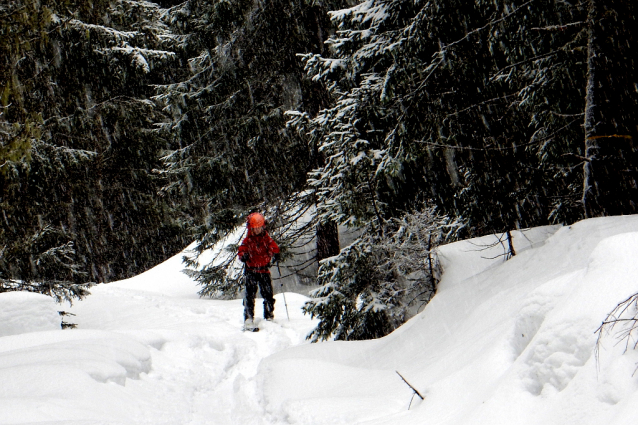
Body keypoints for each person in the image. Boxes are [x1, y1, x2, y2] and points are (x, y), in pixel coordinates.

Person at [238, 212, 280, 330]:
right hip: (251, 271)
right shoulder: (247, 240)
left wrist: (276, 253)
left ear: (263, 227)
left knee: (268, 295)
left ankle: (269, 315)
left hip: (264, 271)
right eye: (255, 228)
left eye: (259, 227)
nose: (257, 230)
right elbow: (241, 251)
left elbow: (274, 247)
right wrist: (243, 256)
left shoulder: (266, 239)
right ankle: (248, 318)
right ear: (251, 228)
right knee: (249, 296)